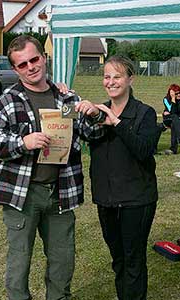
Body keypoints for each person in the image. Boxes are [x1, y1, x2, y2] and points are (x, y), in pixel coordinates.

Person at [0, 35, 84, 300]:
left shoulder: (65, 98)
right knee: (19, 262)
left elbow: (86, 132)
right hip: (22, 194)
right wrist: (22, 142)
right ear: (15, 69)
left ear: (44, 58)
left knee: (63, 262)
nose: (31, 67)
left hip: (61, 192)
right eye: (22, 64)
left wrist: (92, 113)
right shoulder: (7, 101)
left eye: (34, 59)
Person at [76, 55, 159, 300]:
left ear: (130, 79)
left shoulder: (144, 113)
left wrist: (117, 123)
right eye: (107, 76)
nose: (111, 82)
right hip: (107, 199)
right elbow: (78, 135)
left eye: (117, 76)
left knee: (133, 260)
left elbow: (144, 150)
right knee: (119, 258)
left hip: (137, 200)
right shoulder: (98, 114)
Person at [162, 83, 180, 155]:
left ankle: (173, 149)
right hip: (168, 119)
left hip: (176, 121)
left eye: (179, 93)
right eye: (176, 93)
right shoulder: (166, 99)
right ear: (171, 94)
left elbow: (172, 112)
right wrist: (173, 99)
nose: (179, 95)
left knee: (174, 123)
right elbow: (172, 111)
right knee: (174, 117)